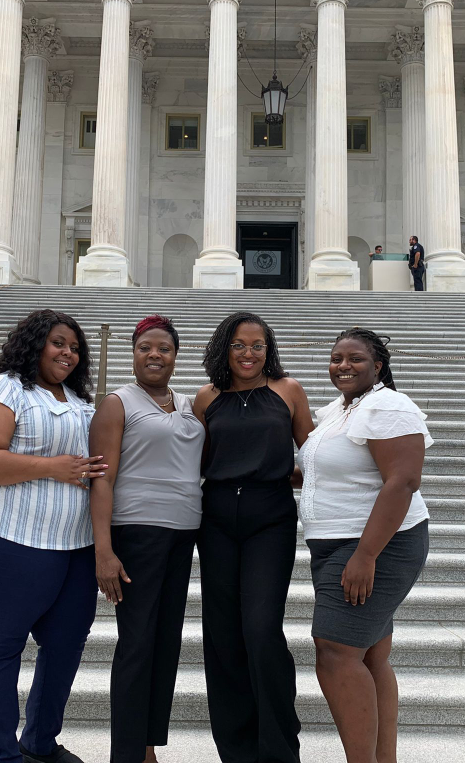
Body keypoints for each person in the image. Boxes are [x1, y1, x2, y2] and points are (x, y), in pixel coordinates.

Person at [0, 309, 106, 763]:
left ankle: (39, 742)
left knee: (67, 642)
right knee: (2, 646)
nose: (68, 353)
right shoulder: (5, 388)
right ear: (34, 343)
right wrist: (53, 468)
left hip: (71, 543)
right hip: (5, 533)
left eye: (75, 347)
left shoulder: (77, 400)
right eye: (59, 343)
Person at [298, 327, 432, 763]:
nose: (343, 365)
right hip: (337, 543)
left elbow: (404, 481)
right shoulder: (339, 410)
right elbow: (327, 474)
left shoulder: (387, 405)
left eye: (355, 358)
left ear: (378, 366)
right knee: (371, 654)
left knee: (335, 652)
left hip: (376, 543)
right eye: (336, 358)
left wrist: (366, 555)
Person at [192, 312, 314, 763]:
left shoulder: (289, 391)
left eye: (258, 345)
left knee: (261, 630)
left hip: (270, 517)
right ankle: (237, 750)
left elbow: (315, 454)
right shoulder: (206, 399)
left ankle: (280, 749)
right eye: (240, 345)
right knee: (222, 636)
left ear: (270, 349)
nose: (249, 353)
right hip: (218, 517)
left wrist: (291, 472)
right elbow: (199, 460)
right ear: (225, 347)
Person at [89, 315, 206, 763]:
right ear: (133, 353)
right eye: (145, 348)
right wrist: (104, 551)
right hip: (136, 533)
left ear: (176, 356)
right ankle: (127, 754)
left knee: (165, 642)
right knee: (137, 643)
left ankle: (148, 748)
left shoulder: (188, 403)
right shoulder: (118, 403)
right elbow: (101, 479)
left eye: (164, 349)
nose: (154, 355)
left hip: (183, 534)